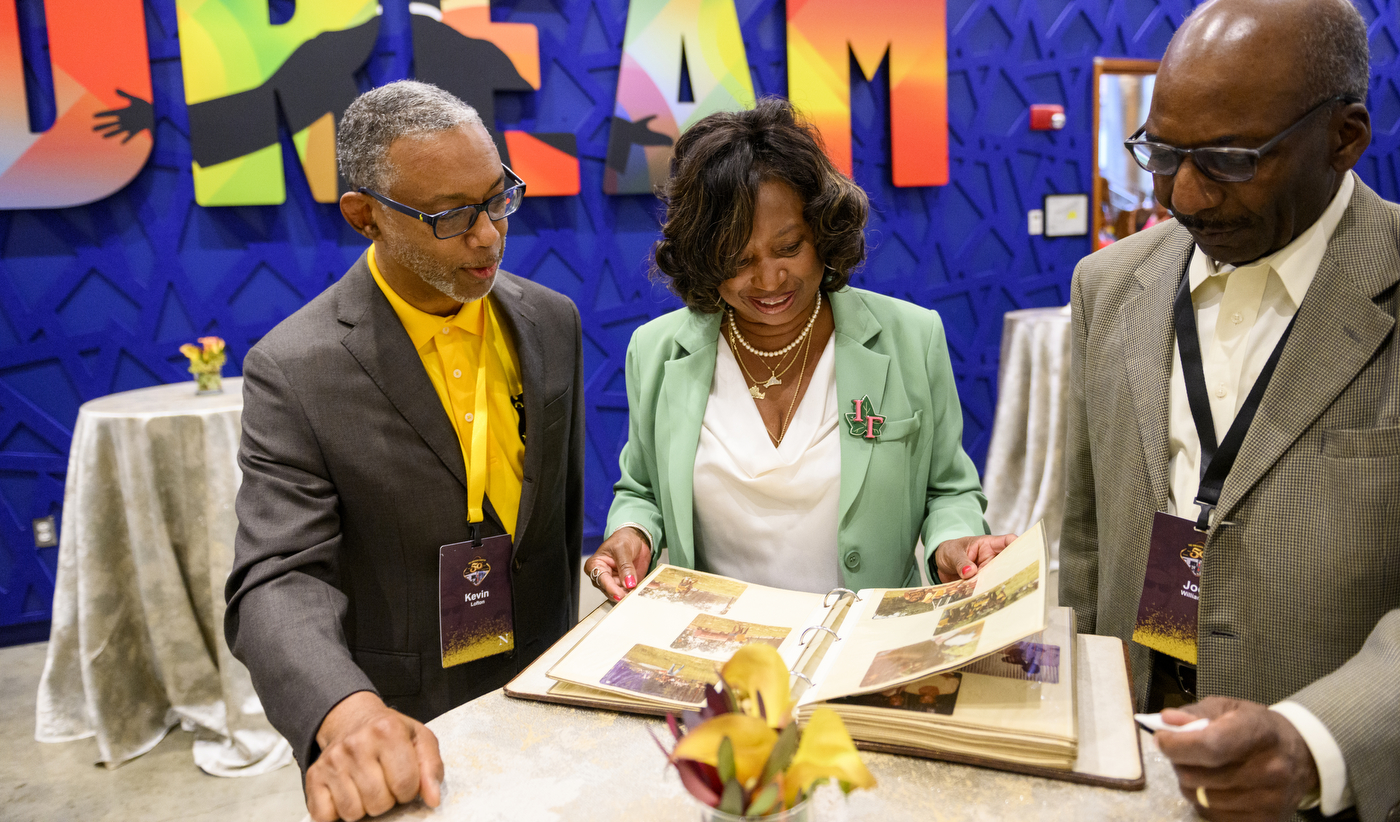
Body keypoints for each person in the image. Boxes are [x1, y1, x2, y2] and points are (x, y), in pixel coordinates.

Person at [1060, 0, 1400, 822]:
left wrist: (1316, 740)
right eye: (1163, 154)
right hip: (1132, 771)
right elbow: (1088, 538)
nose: (1183, 198)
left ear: (1344, 137)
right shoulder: (1108, 285)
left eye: (1230, 162)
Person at [225, 81, 585, 821]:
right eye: (452, 215)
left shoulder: (553, 321)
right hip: (402, 731)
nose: (487, 235)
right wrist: (348, 714)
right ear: (366, 217)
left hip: (551, 693)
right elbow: (276, 577)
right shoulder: (297, 368)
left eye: (498, 198)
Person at [586, 98, 1010, 601]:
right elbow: (642, 491)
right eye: (736, 258)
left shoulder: (911, 337)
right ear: (701, 256)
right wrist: (632, 533)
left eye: (789, 248)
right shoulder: (655, 351)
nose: (769, 280)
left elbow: (948, 488)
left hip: (866, 648)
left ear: (823, 232)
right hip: (723, 654)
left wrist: (952, 540)